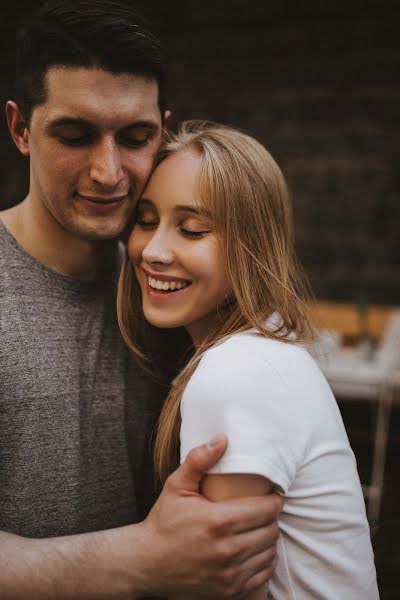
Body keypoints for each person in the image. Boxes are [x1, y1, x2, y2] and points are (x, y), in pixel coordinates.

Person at [0, 2, 282, 598]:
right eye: (75, 136)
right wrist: (142, 559)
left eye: (135, 138)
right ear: (20, 129)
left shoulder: (175, 293)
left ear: (164, 129)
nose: (108, 172)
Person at [118, 120, 380, 599]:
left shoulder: (234, 370)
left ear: (252, 244)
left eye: (192, 229)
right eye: (146, 220)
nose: (153, 251)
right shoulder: (268, 345)